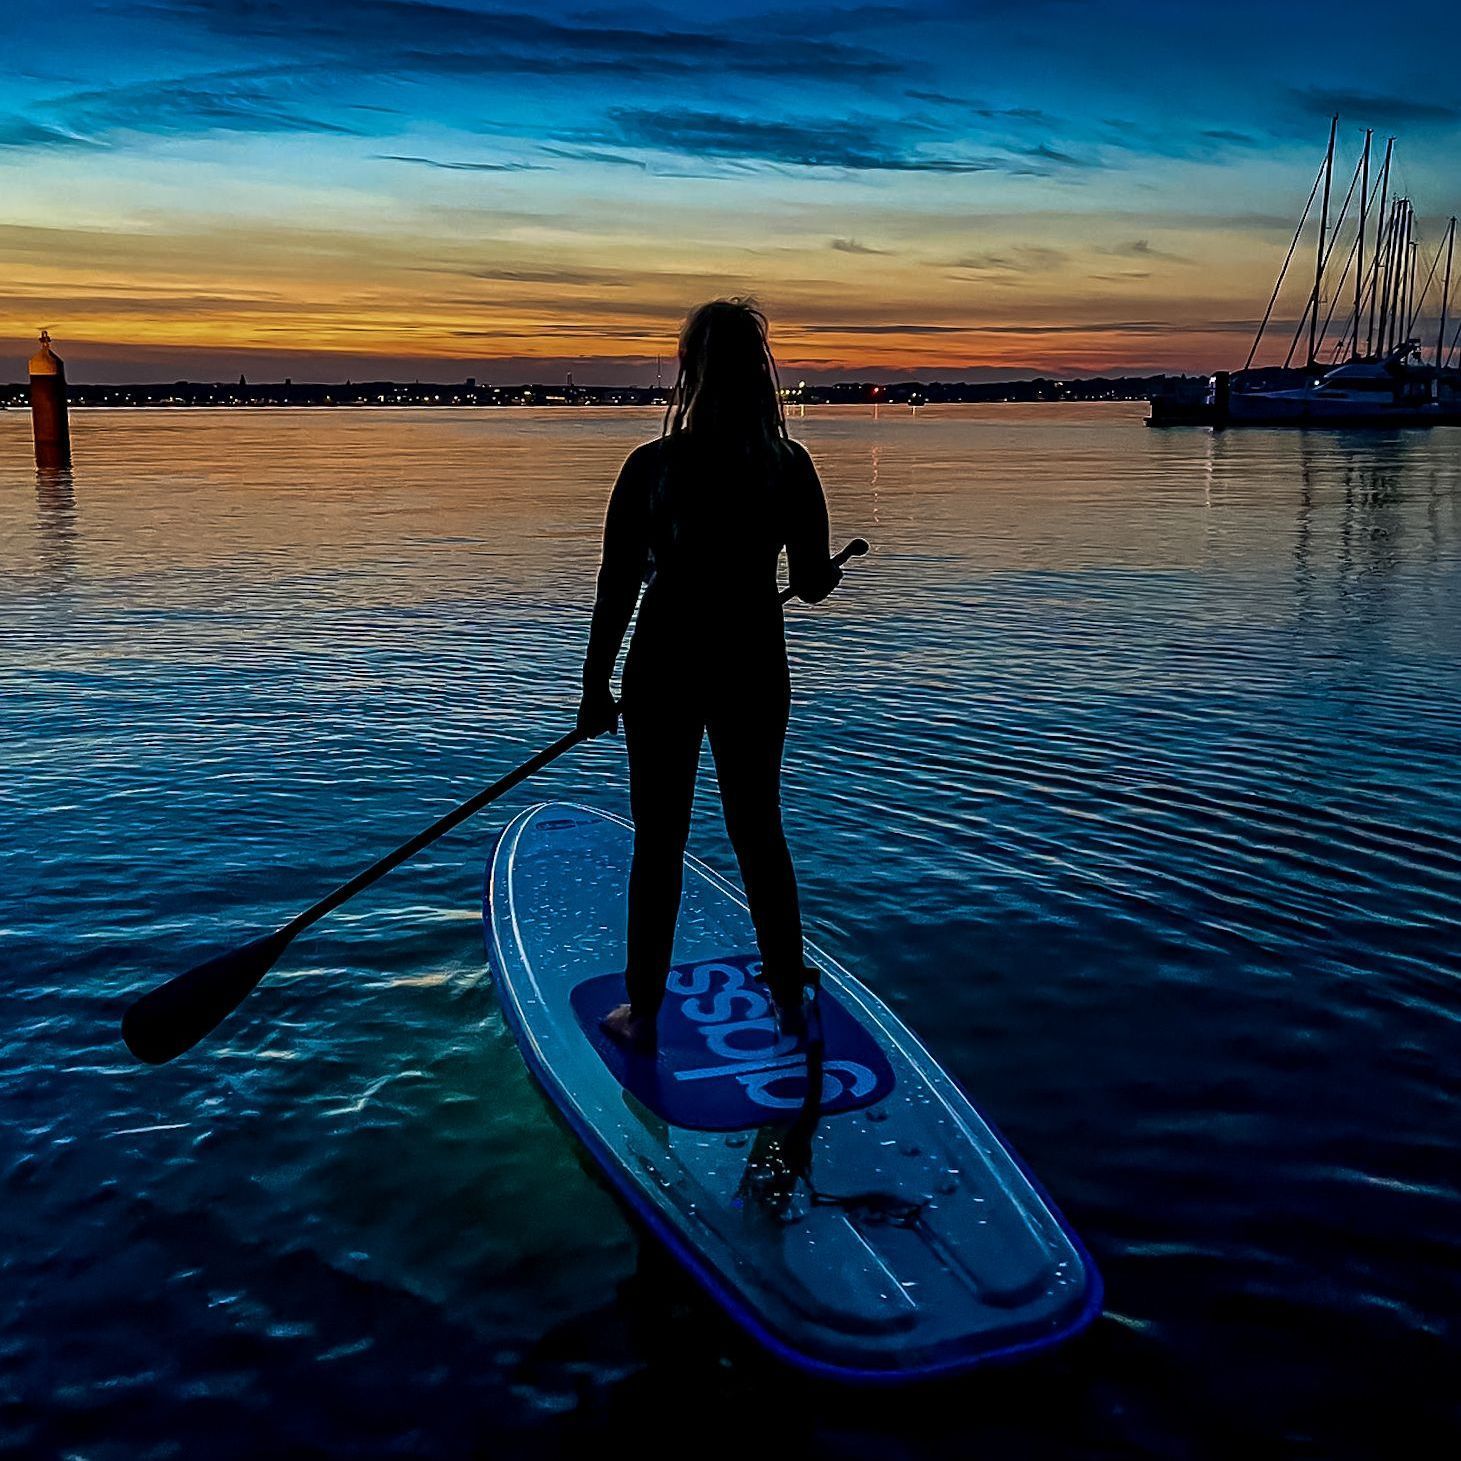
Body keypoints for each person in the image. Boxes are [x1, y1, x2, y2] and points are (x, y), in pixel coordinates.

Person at [577, 298, 843, 1052]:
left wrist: (594, 686)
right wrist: (827, 572)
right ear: (760, 371)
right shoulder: (787, 467)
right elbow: (813, 582)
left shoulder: (653, 467)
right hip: (753, 659)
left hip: (664, 661)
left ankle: (644, 1012)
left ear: (690, 370)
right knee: (760, 830)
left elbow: (616, 585)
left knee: (658, 840)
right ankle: (789, 999)